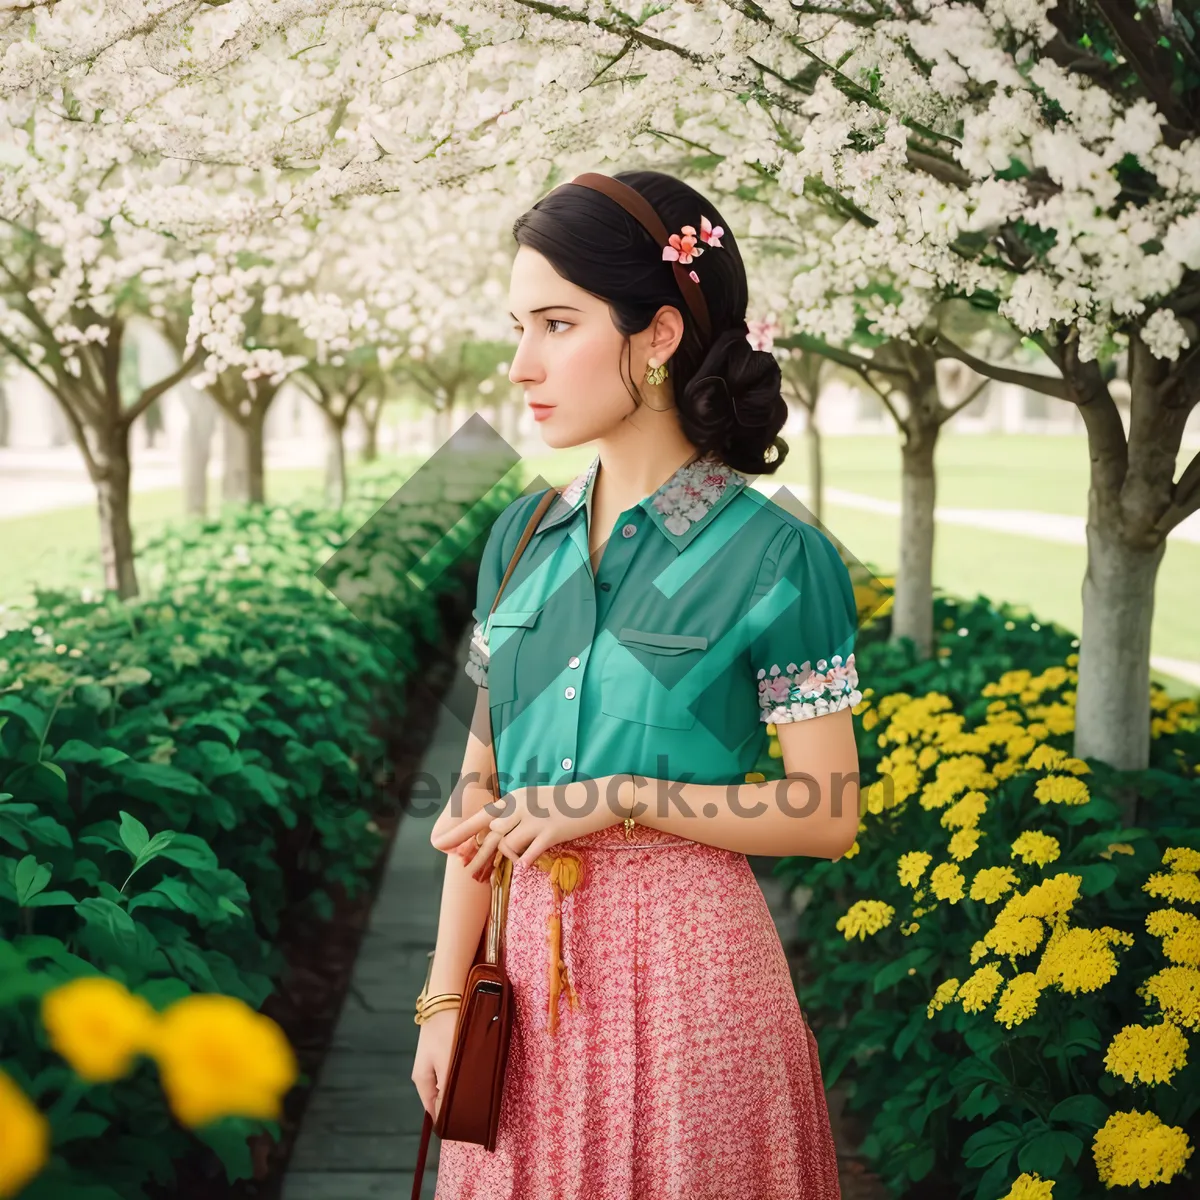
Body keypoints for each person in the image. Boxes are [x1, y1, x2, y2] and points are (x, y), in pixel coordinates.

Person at [412, 169, 861, 1200]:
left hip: (692, 984)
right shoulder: (519, 537)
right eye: (519, 324)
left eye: (557, 324)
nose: (521, 363)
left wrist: (620, 798)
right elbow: (475, 794)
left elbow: (827, 811)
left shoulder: (778, 556)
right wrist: (443, 1003)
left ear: (657, 336)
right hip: (519, 996)